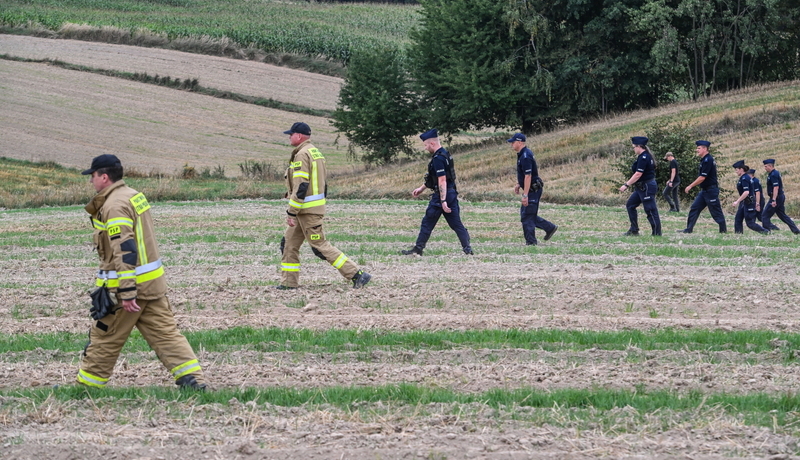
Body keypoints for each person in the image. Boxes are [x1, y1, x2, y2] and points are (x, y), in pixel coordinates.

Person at [78, 154, 207, 390]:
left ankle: (86, 387)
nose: (91, 181)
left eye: (93, 176)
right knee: (166, 335)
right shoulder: (133, 195)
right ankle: (194, 381)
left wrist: (127, 292)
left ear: (104, 177)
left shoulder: (115, 205)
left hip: (126, 290)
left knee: (105, 336)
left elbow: (124, 249)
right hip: (152, 286)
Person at [278, 122, 372, 289]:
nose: (289, 137)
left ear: (298, 136)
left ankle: (357, 274)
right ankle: (288, 283)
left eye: (290, 134)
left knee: (319, 246)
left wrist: (291, 212)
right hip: (305, 210)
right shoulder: (315, 152)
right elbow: (321, 183)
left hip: (307, 211)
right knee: (288, 244)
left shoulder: (302, 154)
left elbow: (301, 185)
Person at [401, 129, 473, 255]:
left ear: (432, 143)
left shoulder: (438, 159)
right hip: (451, 193)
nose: (425, 148)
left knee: (427, 223)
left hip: (441, 196)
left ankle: (418, 249)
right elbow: (435, 178)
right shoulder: (445, 154)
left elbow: (442, 180)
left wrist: (443, 200)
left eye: (426, 145)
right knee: (456, 224)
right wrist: (422, 188)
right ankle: (467, 249)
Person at [508, 133, 558, 245]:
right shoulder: (523, 154)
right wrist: (519, 184)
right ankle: (549, 227)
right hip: (531, 189)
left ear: (520, 142)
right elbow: (524, 174)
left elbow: (528, 176)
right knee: (526, 215)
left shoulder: (525, 156)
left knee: (527, 217)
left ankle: (531, 243)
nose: (511, 144)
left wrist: (525, 195)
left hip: (532, 190)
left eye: (513, 142)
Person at [677, 140, 727, 234]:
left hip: (711, 190)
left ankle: (723, 231)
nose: (697, 150)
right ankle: (689, 229)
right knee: (694, 208)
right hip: (704, 191)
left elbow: (702, 177)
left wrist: (690, 186)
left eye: (699, 148)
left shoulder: (708, 160)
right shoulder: (704, 160)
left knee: (716, 211)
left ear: (705, 149)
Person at [619, 136, 661, 236]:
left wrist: (626, 185)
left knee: (650, 209)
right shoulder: (643, 156)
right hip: (641, 187)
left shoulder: (644, 157)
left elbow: (638, 174)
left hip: (646, 186)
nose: (633, 149)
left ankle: (656, 233)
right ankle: (634, 230)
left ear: (639, 146)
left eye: (634, 147)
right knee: (630, 205)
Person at [761, 159, 800, 234]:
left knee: (765, 215)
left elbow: (776, 187)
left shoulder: (773, 175)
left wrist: (773, 200)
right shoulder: (774, 173)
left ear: (770, 166)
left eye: (766, 166)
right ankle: (796, 230)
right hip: (779, 197)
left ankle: (766, 232)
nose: (765, 168)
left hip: (776, 197)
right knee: (782, 215)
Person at [731, 160, 769, 234]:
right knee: (738, 219)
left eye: (736, 170)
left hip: (749, 202)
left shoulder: (745, 178)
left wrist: (737, 201)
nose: (736, 172)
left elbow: (746, 192)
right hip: (744, 202)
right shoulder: (743, 178)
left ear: (741, 169)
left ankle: (765, 231)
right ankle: (738, 234)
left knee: (750, 223)